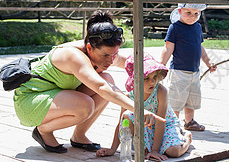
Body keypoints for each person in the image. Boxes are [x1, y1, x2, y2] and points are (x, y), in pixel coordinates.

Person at [13, 10, 163, 153]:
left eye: (114, 54)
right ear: (89, 48)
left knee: (107, 78)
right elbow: (101, 87)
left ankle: (79, 136)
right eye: (105, 56)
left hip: (57, 96)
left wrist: (156, 75)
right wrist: (139, 109)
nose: (111, 60)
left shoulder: (103, 48)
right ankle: (43, 130)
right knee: (88, 102)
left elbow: (133, 65)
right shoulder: (72, 55)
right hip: (30, 100)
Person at [96, 54, 192, 160]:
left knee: (173, 152)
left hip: (166, 126)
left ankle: (187, 138)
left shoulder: (161, 91)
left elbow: (161, 122)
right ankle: (152, 147)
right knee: (127, 115)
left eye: (155, 77)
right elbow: (122, 124)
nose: (152, 82)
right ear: (135, 80)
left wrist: (155, 150)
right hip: (146, 128)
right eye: (146, 78)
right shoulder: (129, 97)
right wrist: (112, 149)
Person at [160, 0, 216, 131]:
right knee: (176, 99)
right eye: (188, 13)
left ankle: (189, 122)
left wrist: (208, 62)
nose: (192, 17)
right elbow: (168, 48)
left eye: (196, 13)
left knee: (192, 98)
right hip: (179, 71)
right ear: (179, 11)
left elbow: (200, 47)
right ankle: (174, 123)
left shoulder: (197, 28)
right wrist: (161, 66)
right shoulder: (175, 28)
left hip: (194, 72)